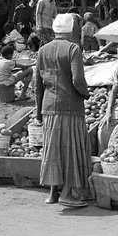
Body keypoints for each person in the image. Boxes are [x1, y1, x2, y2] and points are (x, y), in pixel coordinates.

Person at [34, 13, 91, 207]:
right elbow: (77, 79)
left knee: (52, 150)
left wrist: (38, 112)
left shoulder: (42, 50)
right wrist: (86, 94)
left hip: (49, 107)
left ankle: (52, 194)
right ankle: (67, 193)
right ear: (71, 30)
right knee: (69, 150)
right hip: (70, 107)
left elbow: (38, 85)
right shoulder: (73, 49)